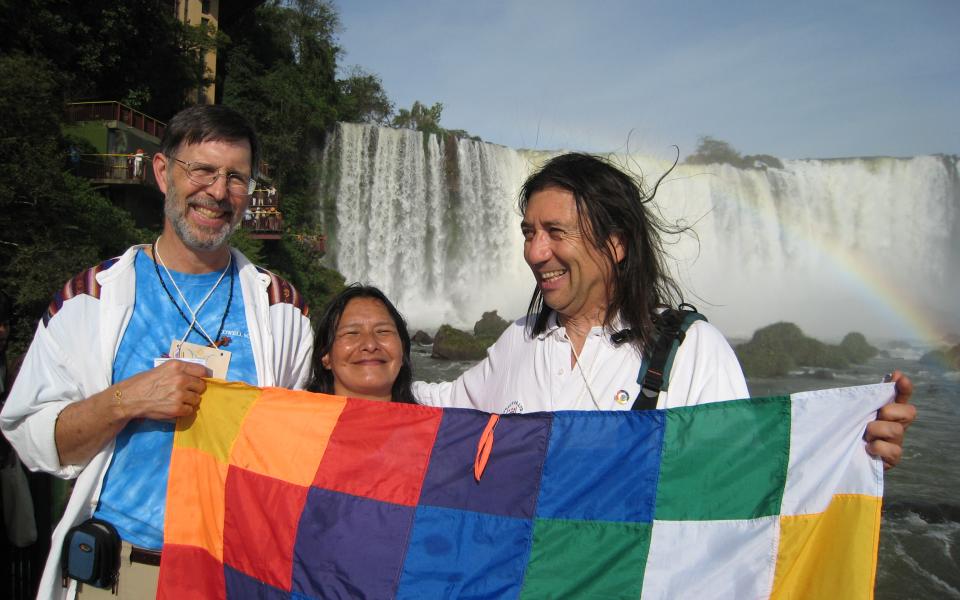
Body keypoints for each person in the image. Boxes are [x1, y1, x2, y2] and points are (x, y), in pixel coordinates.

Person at [413, 152, 915, 467]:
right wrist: (352, 375)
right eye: (529, 233)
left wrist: (853, 444)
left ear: (615, 244)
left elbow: (748, 475)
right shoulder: (519, 342)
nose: (535, 252)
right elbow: (434, 407)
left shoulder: (691, 351)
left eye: (555, 233)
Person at [0, 105, 313, 600]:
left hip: (235, 575)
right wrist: (125, 401)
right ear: (164, 172)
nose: (217, 191)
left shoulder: (284, 311)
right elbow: (32, 439)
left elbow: (295, 452)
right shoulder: (88, 299)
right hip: (122, 576)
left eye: (235, 177)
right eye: (202, 170)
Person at [309, 284, 415, 404]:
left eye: (383, 331)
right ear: (325, 355)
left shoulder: (434, 420)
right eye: (352, 333)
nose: (370, 345)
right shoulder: (293, 420)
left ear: (402, 350)